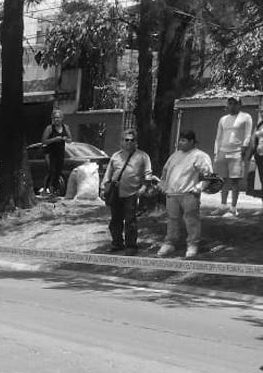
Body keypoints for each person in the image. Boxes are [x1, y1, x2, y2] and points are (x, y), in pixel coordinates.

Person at [157, 130, 212, 259]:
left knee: (191, 220)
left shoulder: (200, 156)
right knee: (172, 219)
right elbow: (165, 172)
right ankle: (170, 243)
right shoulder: (175, 156)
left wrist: (198, 188)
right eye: (180, 140)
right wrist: (163, 185)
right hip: (172, 194)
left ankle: (192, 245)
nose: (180, 143)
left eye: (183, 140)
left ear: (192, 142)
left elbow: (208, 176)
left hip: (189, 194)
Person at [101, 129, 152, 254]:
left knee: (130, 221)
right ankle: (117, 243)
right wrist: (103, 188)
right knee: (115, 220)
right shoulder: (116, 156)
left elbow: (148, 174)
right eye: (126, 140)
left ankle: (131, 246)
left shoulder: (142, 156)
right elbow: (108, 174)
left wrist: (144, 188)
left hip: (132, 193)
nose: (129, 142)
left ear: (136, 142)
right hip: (116, 192)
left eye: (132, 140)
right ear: (122, 142)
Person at [212, 97, 253, 217]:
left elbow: (248, 135)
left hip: (236, 153)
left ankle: (233, 208)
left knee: (235, 181)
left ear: (239, 105)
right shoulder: (223, 119)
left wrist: (244, 148)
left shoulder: (245, 117)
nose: (232, 106)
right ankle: (223, 206)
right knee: (222, 180)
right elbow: (218, 137)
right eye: (229, 103)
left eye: (234, 103)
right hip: (222, 152)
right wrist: (216, 152)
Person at [41, 109, 72, 197]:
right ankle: (46, 190)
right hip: (50, 153)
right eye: (54, 118)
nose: (56, 119)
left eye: (58, 117)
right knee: (52, 171)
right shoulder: (49, 128)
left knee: (58, 172)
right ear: (52, 119)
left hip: (60, 153)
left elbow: (70, 139)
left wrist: (66, 139)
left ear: (62, 118)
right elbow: (44, 141)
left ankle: (54, 190)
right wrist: (54, 139)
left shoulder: (66, 127)